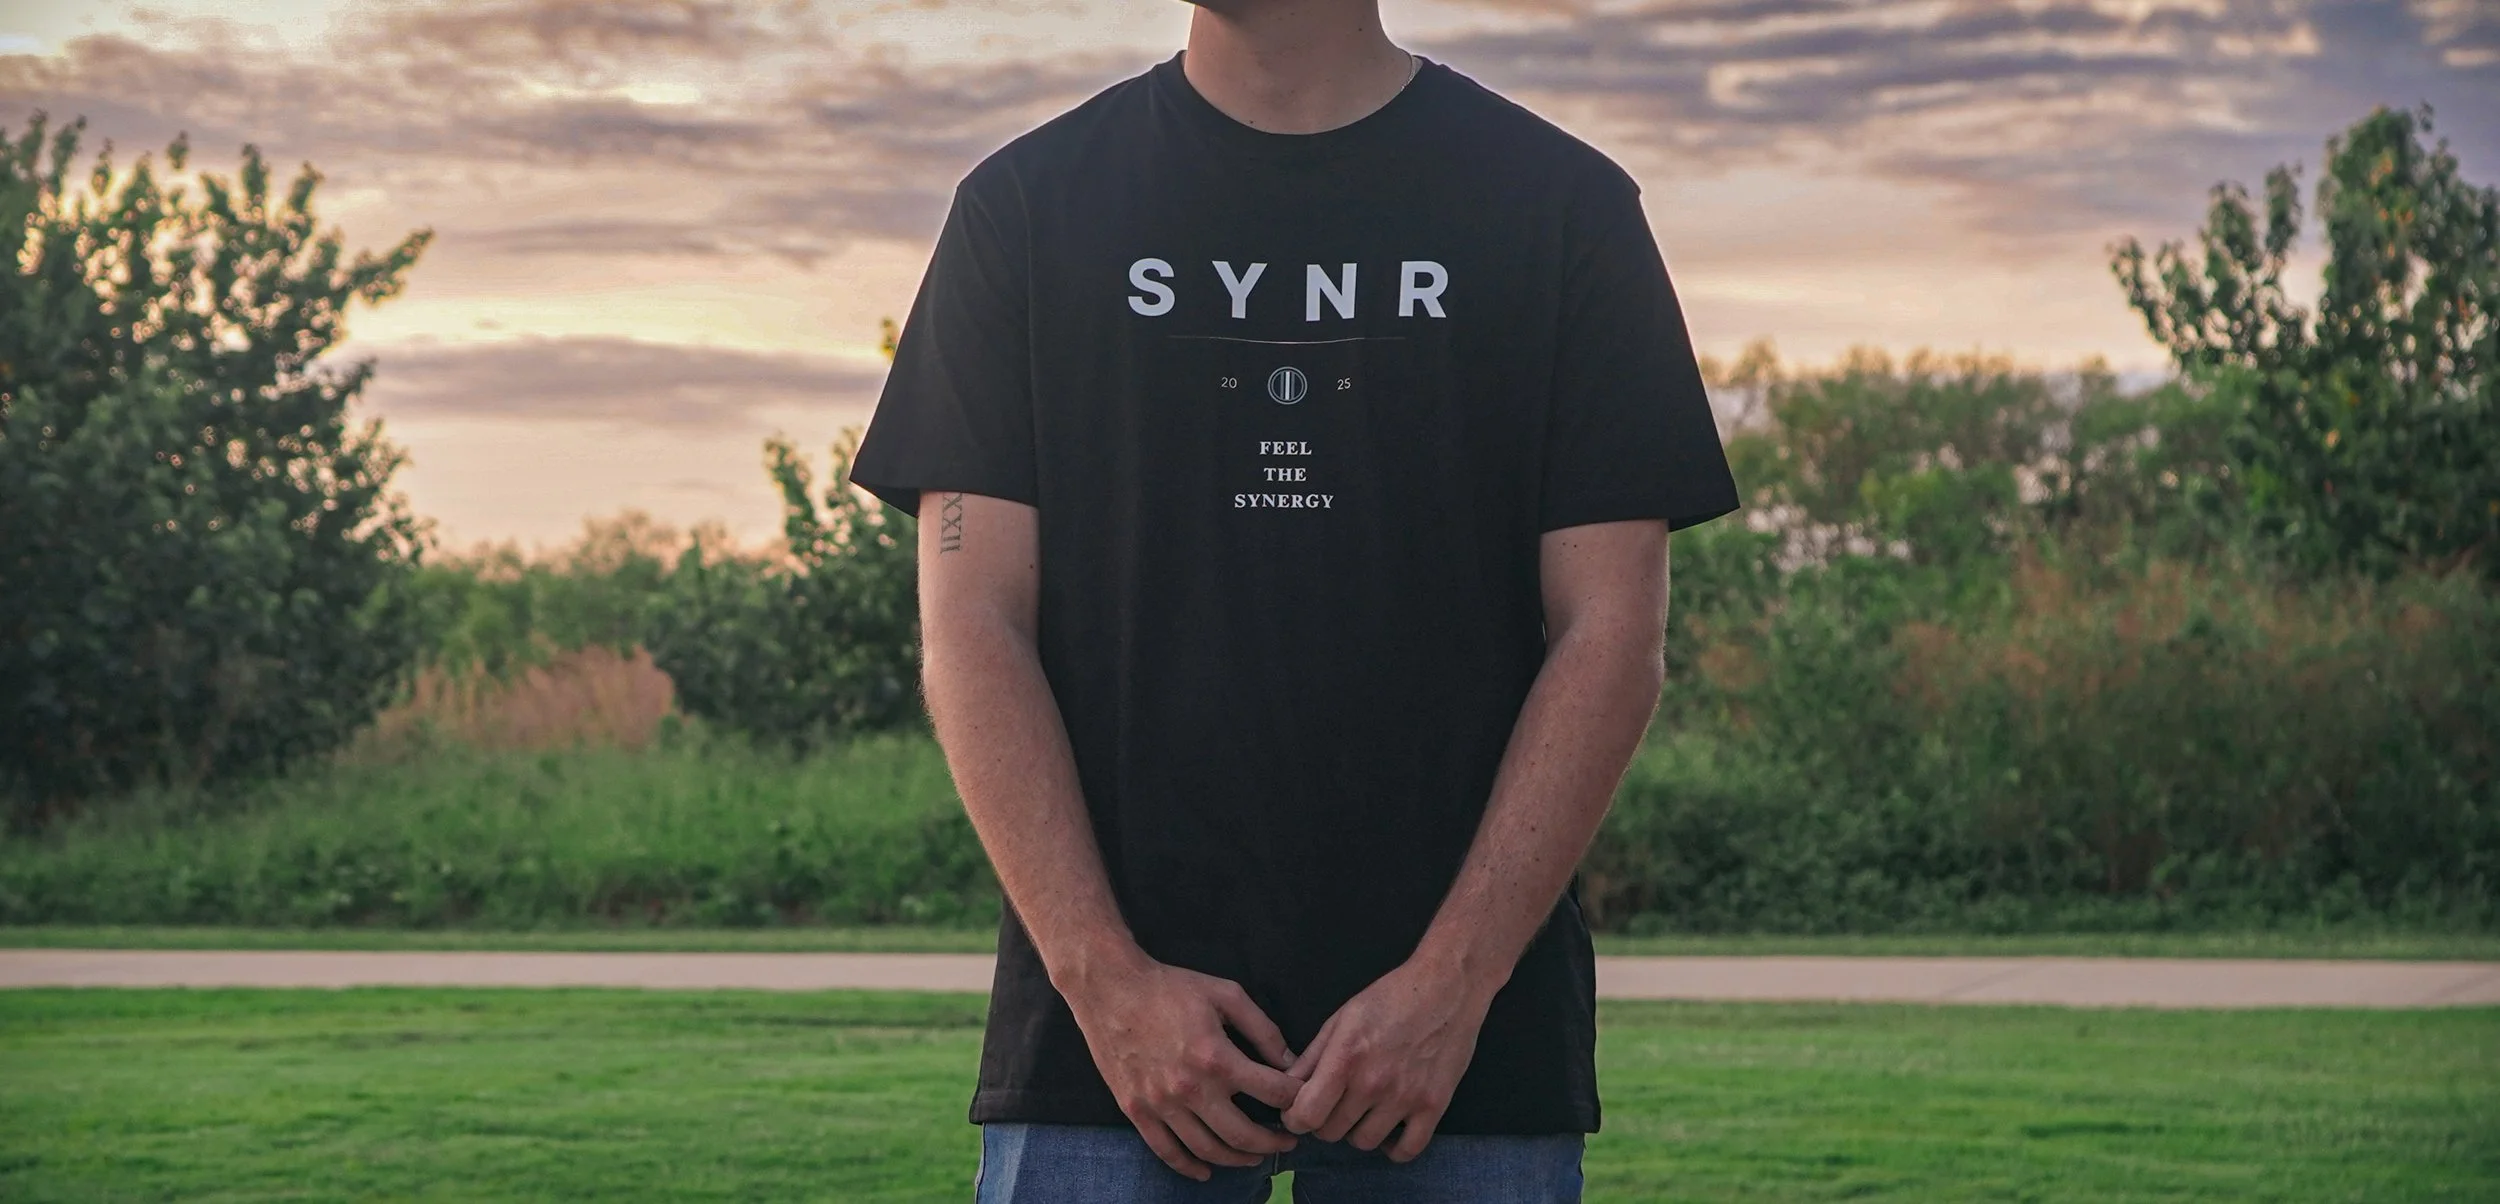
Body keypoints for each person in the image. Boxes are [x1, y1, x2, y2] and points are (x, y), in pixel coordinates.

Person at [847, 0, 1739, 1198]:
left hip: (1458, 1051)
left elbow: (1611, 632)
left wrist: (1451, 983)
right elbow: (971, 624)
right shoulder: (1026, 207)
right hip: (1106, 1058)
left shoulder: (1558, 205)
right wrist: (1105, 980)